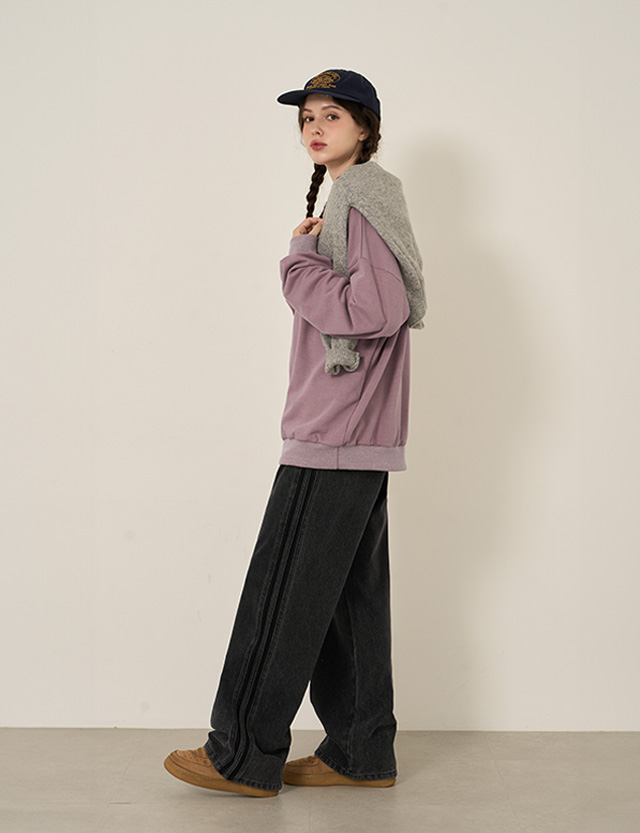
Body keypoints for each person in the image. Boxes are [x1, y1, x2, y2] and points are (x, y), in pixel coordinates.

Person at [164, 68, 426, 798]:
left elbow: (377, 309)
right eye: (308, 117)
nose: (315, 127)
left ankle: (240, 753)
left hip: (336, 429)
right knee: (347, 602)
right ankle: (360, 752)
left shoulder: (360, 196)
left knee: (281, 591)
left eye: (332, 115)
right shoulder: (359, 196)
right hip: (358, 429)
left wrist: (298, 262)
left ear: (366, 129)